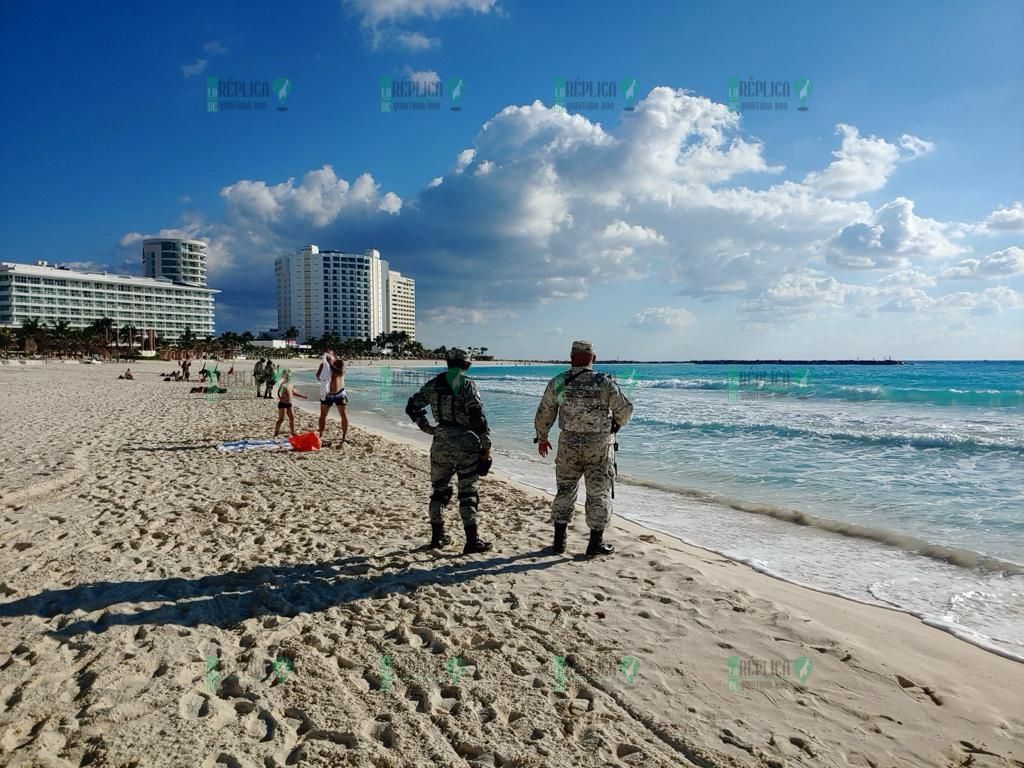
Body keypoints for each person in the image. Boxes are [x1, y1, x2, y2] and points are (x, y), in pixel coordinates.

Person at [534, 340, 633, 557]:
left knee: (565, 490)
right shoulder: (604, 382)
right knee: (598, 493)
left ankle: (559, 543)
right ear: (593, 359)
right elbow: (625, 411)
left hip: (568, 444)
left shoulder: (560, 381)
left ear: (571, 358)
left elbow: (545, 412)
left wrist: (542, 437)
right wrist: (615, 424)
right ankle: (594, 544)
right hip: (598, 446)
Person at [405, 348, 492, 554]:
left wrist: (427, 428)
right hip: (466, 443)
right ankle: (472, 541)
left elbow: (412, 406)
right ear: (467, 364)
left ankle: (437, 538)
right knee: (468, 492)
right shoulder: (467, 384)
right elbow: (477, 418)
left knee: (439, 490)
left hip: (441, 441)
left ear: (447, 362)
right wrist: (486, 447)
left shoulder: (434, 384)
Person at [316, 353, 349, 443]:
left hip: (339, 394)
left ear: (333, 355)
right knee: (323, 415)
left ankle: (344, 436)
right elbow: (318, 377)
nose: (327, 356)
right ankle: (321, 434)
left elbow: (340, 373)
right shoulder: (323, 365)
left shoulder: (340, 363)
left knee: (343, 414)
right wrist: (324, 369)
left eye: (329, 354)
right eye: (326, 355)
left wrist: (330, 364)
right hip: (327, 394)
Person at [274, 370, 307, 437]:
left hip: (289, 403)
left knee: (292, 418)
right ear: (285, 376)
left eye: (289, 376)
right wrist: (281, 398)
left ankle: (292, 432)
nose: (288, 377)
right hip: (282, 404)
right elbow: (278, 393)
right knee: (281, 419)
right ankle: (276, 433)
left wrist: (302, 396)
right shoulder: (283, 384)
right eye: (287, 376)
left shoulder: (291, 384)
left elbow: (293, 393)